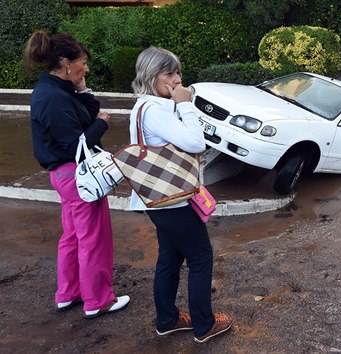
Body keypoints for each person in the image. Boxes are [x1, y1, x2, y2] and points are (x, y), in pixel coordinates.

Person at [128, 46, 233, 343]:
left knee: (170, 258)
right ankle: (204, 325)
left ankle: (168, 319)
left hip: (159, 197)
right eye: (168, 72)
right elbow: (195, 142)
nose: (176, 79)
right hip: (172, 198)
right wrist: (185, 104)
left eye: (178, 72)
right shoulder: (157, 111)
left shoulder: (144, 106)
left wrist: (178, 104)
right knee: (200, 257)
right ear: (151, 75)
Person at [23, 31, 130, 318]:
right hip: (78, 175)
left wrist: (83, 90)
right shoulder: (54, 97)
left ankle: (68, 293)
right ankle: (98, 300)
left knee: (72, 236)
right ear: (66, 62)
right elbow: (75, 145)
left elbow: (86, 112)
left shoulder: (56, 90)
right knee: (93, 238)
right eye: (83, 62)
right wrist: (101, 125)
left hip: (66, 177)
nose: (87, 68)